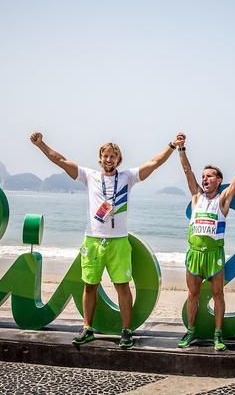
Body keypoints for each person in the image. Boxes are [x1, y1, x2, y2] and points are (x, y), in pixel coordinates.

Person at [30, 131, 179, 349]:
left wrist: (172, 145)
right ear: (100, 158)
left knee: (123, 287)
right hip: (92, 241)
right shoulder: (89, 176)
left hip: (118, 242)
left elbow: (155, 162)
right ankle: (87, 328)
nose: (109, 160)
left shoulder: (128, 177)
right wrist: (41, 144)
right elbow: (60, 160)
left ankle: (126, 331)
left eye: (113, 156)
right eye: (106, 156)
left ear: (119, 160)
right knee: (90, 286)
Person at [174, 133, 235, 351]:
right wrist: (181, 148)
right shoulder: (196, 197)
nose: (205, 179)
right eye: (204, 176)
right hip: (194, 254)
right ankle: (191, 332)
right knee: (193, 295)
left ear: (218, 180)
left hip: (214, 256)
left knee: (219, 294)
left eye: (210, 176)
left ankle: (218, 334)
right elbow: (187, 171)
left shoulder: (223, 199)